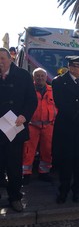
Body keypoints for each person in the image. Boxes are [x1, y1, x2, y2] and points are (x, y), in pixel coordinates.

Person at [52, 53, 79, 204]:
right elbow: (61, 104)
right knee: (66, 161)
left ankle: (77, 190)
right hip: (67, 128)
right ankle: (63, 190)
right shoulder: (59, 82)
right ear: (70, 67)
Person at [0, 47, 37, 212]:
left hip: (15, 128)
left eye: (2, 58)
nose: (0, 62)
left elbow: (32, 100)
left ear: (10, 59)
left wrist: (24, 115)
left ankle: (15, 197)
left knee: (14, 166)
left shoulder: (23, 75)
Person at [22, 68, 56, 185]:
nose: (40, 78)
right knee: (27, 150)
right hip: (32, 125)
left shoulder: (53, 90)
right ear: (33, 78)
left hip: (48, 125)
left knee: (47, 150)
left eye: (42, 76)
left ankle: (44, 172)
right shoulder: (28, 90)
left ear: (46, 78)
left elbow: (57, 106)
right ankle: (25, 173)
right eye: (37, 76)